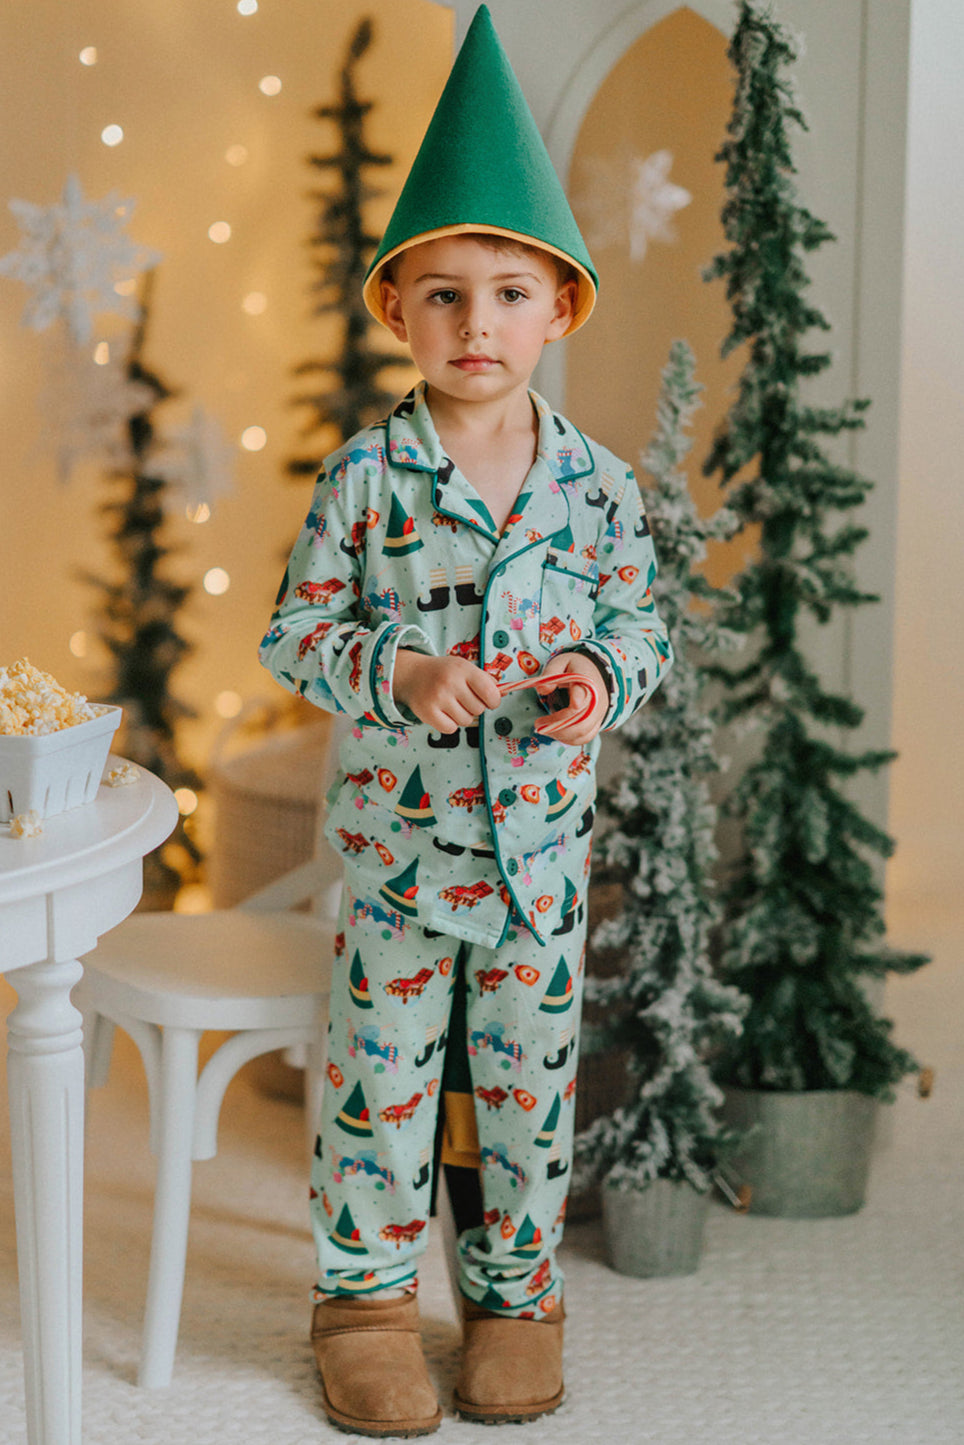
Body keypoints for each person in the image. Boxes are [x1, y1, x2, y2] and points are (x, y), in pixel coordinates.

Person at [259, 6, 672, 1436]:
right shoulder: (365, 480)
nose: (476, 323)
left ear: (561, 309)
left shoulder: (600, 488)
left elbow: (641, 627)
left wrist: (592, 684)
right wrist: (404, 671)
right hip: (394, 859)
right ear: (394, 310)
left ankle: (512, 1298)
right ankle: (366, 1301)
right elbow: (294, 632)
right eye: (443, 294)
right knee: (376, 1087)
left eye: (507, 294)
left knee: (524, 1092)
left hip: (541, 864)